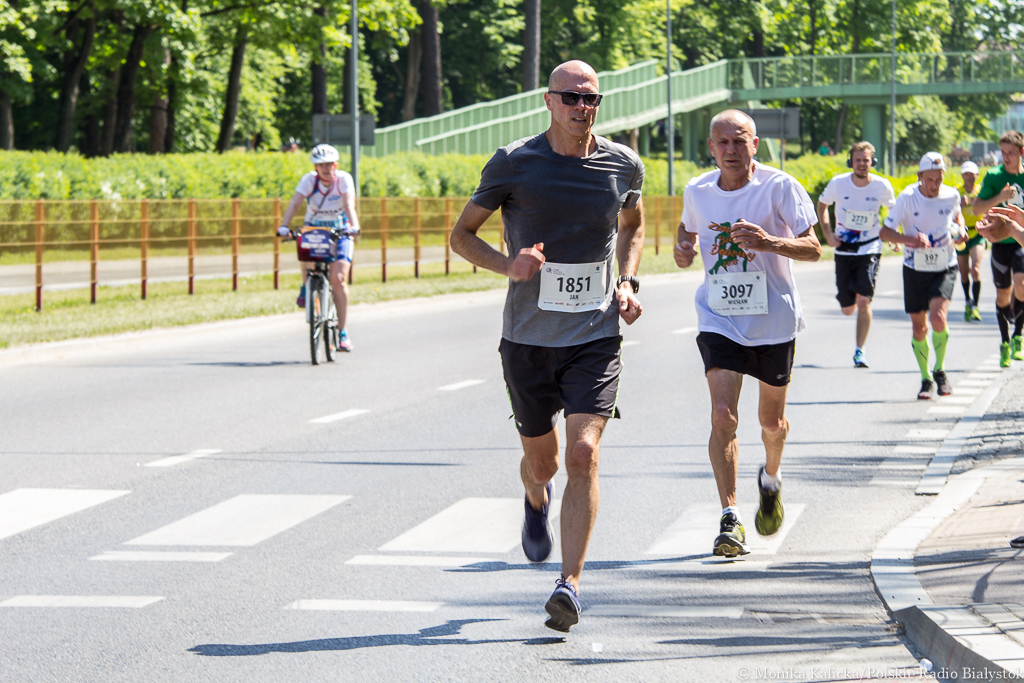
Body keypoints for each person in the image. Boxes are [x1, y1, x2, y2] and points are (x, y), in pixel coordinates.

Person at [449, 60, 644, 633]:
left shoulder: (622, 163)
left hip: (595, 334)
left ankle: (570, 586)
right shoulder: (515, 162)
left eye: (592, 99)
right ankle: (536, 500)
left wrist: (628, 282)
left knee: (583, 453)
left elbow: (632, 226)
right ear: (549, 101)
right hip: (528, 340)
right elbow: (461, 236)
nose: (583, 108)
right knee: (546, 462)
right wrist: (509, 264)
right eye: (572, 98)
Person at [673, 110, 821, 558]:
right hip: (720, 317)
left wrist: (771, 243)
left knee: (770, 424)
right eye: (722, 143)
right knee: (724, 416)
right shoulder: (698, 189)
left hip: (773, 319)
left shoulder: (779, 186)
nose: (731, 150)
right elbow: (686, 232)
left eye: (740, 141)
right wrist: (682, 249)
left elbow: (813, 247)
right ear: (711, 147)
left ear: (755, 144)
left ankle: (771, 479)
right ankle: (730, 517)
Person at [879, 152, 966, 400]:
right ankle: (925, 378)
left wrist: (962, 231)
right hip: (914, 268)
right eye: (930, 179)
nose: (935, 185)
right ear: (919, 177)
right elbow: (885, 232)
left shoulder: (951, 195)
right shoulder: (907, 198)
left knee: (938, 318)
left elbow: (957, 217)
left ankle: (940, 370)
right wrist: (911, 240)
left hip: (944, 265)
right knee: (920, 327)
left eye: (939, 179)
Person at [817, 141, 896, 368]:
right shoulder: (838, 183)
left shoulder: (882, 186)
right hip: (844, 248)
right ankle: (847, 299)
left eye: (866, 160)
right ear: (851, 161)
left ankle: (860, 351)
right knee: (847, 308)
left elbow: (893, 210)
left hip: (870, 246)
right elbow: (822, 205)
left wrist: (894, 235)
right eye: (858, 160)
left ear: (873, 162)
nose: (862, 164)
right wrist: (828, 233)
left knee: (864, 300)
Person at [277, 144, 360, 352]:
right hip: (315, 228)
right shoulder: (308, 180)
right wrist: (284, 226)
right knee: (302, 239)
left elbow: (349, 205)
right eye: (320, 165)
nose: (325, 168)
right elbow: (295, 204)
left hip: (341, 231)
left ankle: (342, 331)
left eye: (329, 164)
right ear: (315, 167)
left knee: (338, 278)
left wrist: (354, 226)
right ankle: (307, 287)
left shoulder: (343, 180)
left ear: (335, 165)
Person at [974, 131, 1024, 367]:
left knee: (1022, 285)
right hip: (1000, 245)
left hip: (1021, 242)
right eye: (1003, 152)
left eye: (1011, 153)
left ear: (1021, 152)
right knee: (1003, 294)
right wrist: (1000, 197)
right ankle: (1005, 342)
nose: (1006, 157)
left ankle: (1018, 337)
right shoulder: (994, 177)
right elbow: (976, 209)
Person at [957, 161, 985, 322]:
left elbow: (989, 208)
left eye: (971, 174)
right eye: (966, 174)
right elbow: (951, 212)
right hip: (962, 235)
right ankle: (968, 300)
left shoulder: (981, 192)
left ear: (977, 175)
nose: (969, 177)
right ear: (962, 176)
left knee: (975, 269)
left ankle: (975, 306)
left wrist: (978, 204)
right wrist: (959, 205)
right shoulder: (957, 192)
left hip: (978, 233)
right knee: (964, 272)